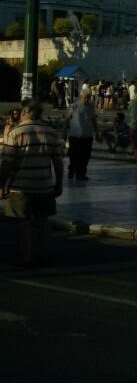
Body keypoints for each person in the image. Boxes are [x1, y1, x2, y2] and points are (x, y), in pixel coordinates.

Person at [0, 101, 64, 267]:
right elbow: (58, 162)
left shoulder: (15, 132)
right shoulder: (51, 132)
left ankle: (26, 256)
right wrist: (59, 183)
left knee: (23, 222)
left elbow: (7, 162)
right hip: (44, 185)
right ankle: (42, 254)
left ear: (24, 113)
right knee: (43, 221)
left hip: (20, 187)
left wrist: (1, 184)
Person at [66, 89, 96, 181]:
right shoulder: (74, 106)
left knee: (85, 156)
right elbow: (67, 119)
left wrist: (97, 132)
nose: (87, 100)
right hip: (75, 136)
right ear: (81, 97)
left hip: (87, 135)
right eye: (86, 97)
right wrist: (64, 132)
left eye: (89, 98)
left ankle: (81, 174)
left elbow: (93, 119)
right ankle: (72, 170)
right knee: (74, 156)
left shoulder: (91, 106)